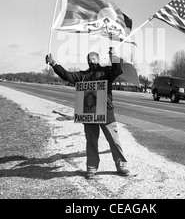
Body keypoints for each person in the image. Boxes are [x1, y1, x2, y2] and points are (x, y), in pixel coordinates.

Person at [45, 47, 130, 179]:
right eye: (89, 59)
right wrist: (54, 64)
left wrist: (114, 57)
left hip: (106, 113)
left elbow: (117, 70)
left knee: (114, 140)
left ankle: (121, 165)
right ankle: (91, 167)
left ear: (98, 59)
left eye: (94, 58)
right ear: (87, 62)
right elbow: (67, 75)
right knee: (91, 142)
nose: (92, 60)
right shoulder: (83, 76)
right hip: (89, 113)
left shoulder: (106, 72)